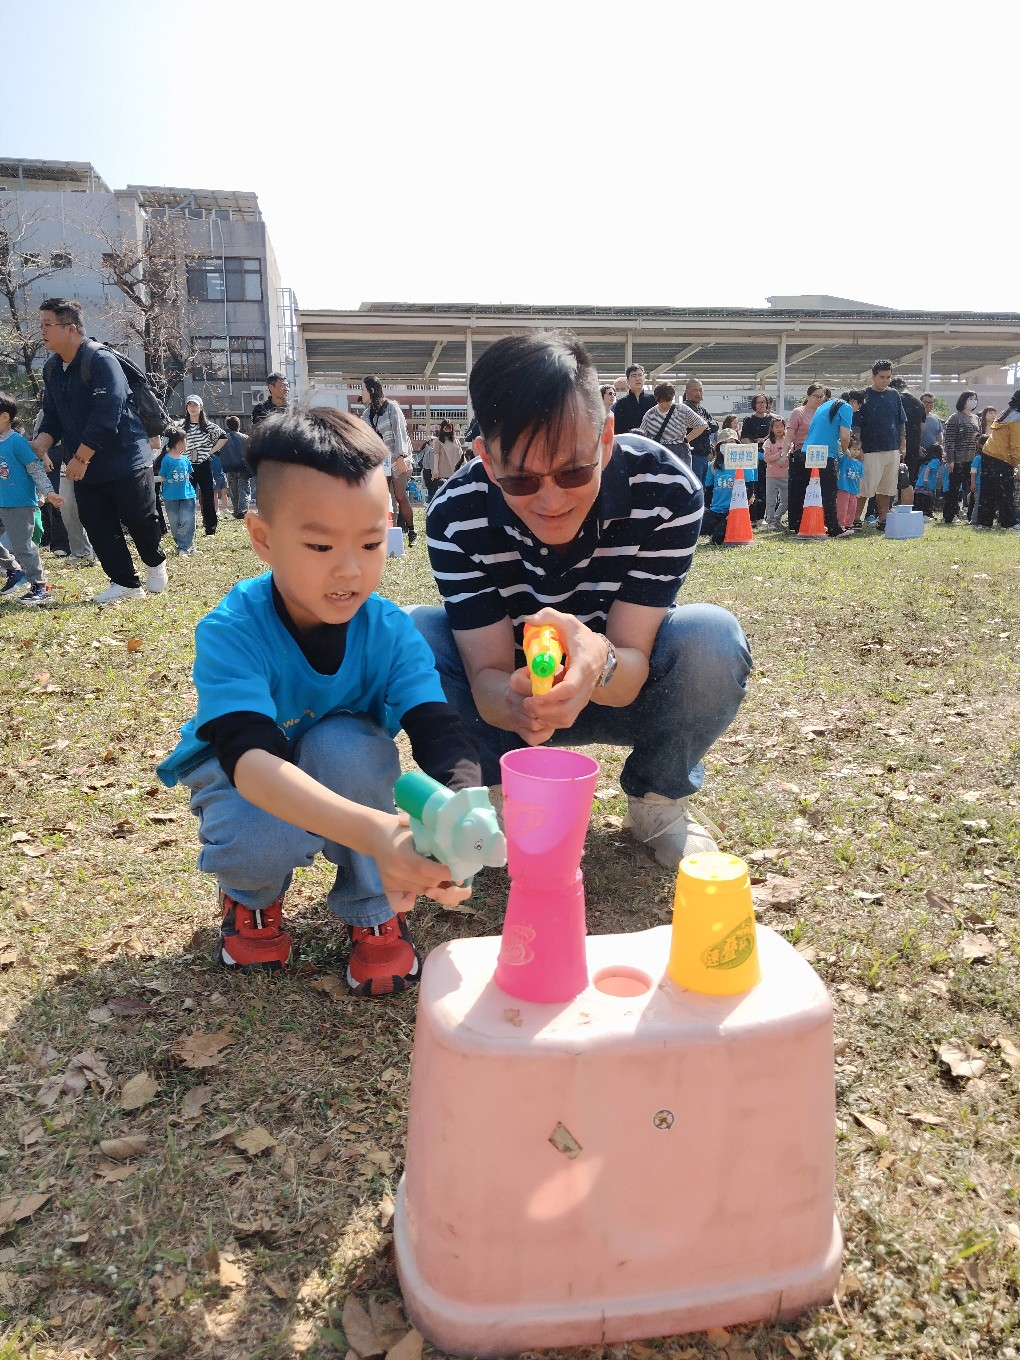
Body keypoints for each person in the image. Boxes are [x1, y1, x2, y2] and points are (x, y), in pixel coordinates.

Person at [156, 407, 480, 994]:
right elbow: (251, 764)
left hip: (341, 764)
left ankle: (374, 907)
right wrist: (380, 834)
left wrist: (461, 817)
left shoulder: (391, 631)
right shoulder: (233, 630)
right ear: (263, 538)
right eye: (320, 545)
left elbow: (440, 733)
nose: (350, 570)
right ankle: (252, 897)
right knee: (260, 835)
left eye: (371, 542)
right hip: (244, 775)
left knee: (350, 749)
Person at [414, 330, 751, 870]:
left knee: (711, 637)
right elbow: (485, 676)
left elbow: (631, 665)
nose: (551, 500)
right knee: (418, 637)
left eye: (574, 470)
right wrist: (518, 701)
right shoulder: (456, 513)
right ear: (487, 459)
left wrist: (599, 662)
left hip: (622, 688)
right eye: (521, 480)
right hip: (513, 704)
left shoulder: (666, 490)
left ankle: (658, 797)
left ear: (607, 437)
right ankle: (497, 789)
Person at [33, 297, 167, 604]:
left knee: (139, 518)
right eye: (41, 325)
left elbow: (108, 412)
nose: (42, 331)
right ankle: (125, 583)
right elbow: (53, 415)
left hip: (125, 457)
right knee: (97, 523)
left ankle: (155, 561)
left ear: (70, 329)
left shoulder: (100, 359)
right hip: (84, 463)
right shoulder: (52, 369)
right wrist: (40, 444)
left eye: (47, 325)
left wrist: (82, 457)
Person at [0, 392, 64, 606]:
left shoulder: (17, 442)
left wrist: (49, 492)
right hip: (1, 501)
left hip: (19, 504)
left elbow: (35, 470)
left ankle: (39, 586)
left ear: (5, 417)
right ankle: (13, 570)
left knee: (23, 546)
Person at [361, 375, 416, 547]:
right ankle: (385, 534)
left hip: (397, 458)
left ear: (371, 390)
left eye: (362, 389)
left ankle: (412, 531)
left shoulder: (391, 407)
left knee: (400, 495)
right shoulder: (366, 415)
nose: (361, 393)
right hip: (381, 462)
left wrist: (401, 456)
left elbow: (400, 431)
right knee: (382, 497)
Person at [798, 390, 860, 538]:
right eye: (859, 406)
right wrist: (845, 450)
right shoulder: (846, 407)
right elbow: (845, 437)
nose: (857, 410)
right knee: (829, 491)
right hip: (824, 453)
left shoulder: (826, 405)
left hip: (807, 451)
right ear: (854, 402)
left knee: (811, 490)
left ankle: (808, 523)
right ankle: (833, 528)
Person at [856, 360, 906, 531]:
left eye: (888, 377)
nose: (885, 380)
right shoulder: (863, 395)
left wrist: (903, 445)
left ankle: (883, 519)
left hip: (891, 447)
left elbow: (901, 421)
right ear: (873, 377)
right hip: (870, 449)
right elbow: (856, 425)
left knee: (887, 487)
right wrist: (859, 447)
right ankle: (855, 519)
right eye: (882, 377)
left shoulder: (894, 395)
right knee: (864, 487)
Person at [784, 383, 830, 532]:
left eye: (821, 397)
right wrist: (784, 453)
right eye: (816, 396)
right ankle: (796, 523)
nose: (819, 399)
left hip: (820, 454)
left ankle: (818, 520)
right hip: (801, 453)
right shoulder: (798, 412)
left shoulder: (825, 413)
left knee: (820, 488)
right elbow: (789, 435)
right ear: (808, 396)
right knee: (799, 489)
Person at [181, 396, 227, 536]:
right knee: (186, 497)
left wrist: (211, 451)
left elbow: (223, 437)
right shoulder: (181, 426)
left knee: (207, 496)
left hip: (204, 464)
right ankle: (188, 526)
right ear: (186, 408)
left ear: (201, 407)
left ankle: (210, 527)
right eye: (190, 405)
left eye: (195, 405)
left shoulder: (208, 426)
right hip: (187, 465)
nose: (192, 408)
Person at [975, 390, 1020, 530]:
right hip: (1001, 457)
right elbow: (1016, 445)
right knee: (1005, 491)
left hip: (988, 453)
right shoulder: (1017, 419)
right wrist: (1018, 464)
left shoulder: (1005, 413)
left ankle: (984, 522)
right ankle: (1009, 523)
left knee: (987, 491)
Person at [636, 382, 708, 468]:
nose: (665, 404)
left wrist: (686, 439)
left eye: (667, 401)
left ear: (672, 398)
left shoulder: (682, 409)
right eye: (661, 401)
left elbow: (702, 425)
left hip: (678, 451)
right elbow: (642, 435)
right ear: (657, 399)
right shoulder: (650, 414)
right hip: (658, 452)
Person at [942, 390, 981, 525]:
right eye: (970, 399)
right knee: (954, 489)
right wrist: (950, 460)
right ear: (963, 400)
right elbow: (949, 440)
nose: (973, 401)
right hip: (958, 460)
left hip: (973, 460)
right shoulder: (955, 417)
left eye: (975, 399)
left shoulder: (976, 418)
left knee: (973, 488)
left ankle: (972, 516)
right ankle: (949, 516)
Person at [157, 428, 197, 555]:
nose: (187, 443)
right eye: (186, 440)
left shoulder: (185, 459)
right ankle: (183, 546)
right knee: (174, 523)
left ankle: (184, 547)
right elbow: (163, 476)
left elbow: (188, 475)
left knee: (188, 520)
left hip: (187, 495)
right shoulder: (166, 460)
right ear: (179, 442)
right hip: (170, 496)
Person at [889, 377, 925, 500]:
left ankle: (886, 508)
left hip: (895, 444)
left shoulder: (895, 399)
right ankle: (906, 507)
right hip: (913, 444)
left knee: (890, 478)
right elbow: (922, 427)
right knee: (908, 479)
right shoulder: (919, 403)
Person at [740, 393, 773, 523]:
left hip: (768, 457)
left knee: (765, 487)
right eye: (759, 402)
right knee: (753, 486)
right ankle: (752, 516)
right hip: (752, 457)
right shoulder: (749, 420)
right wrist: (754, 444)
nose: (762, 404)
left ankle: (761, 517)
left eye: (764, 402)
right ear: (754, 404)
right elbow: (744, 438)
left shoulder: (772, 420)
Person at [700, 442, 738, 546]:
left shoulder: (743, 466)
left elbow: (749, 490)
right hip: (715, 511)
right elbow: (709, 489)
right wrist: (706, 509)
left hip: (733, 512)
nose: (728, 445)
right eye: (724, 443)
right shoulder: (713, 466)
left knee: (717, 539)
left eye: (731, 442)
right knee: (695, 531)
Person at [682, 379, 717, 486]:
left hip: (704, 455)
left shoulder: (702, 410)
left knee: (703, 487)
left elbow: (714, 425)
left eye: (700, 390)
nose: (698, 393)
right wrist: (704, 426)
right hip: (692, 455)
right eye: (695, 390)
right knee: (695, 487)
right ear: (687, 392)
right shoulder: (684, 408)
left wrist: (704, 425)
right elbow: (703, 428)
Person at [219, 415, 253, 517]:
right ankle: (242, 510)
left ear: (228, 426)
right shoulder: (246, 438)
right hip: (243, 467)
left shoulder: (224, 439)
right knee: (243, 489)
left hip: (230, 467)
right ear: (239, 425)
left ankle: (236, 509)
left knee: (233, 490)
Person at [762, 416, 789, 529]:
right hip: (771, 476)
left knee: (786, 502)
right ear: (772, 429)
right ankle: (770, 521)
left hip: (785, 475)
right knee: (771, 501)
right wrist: (780, 454)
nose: (779, 429)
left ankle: (776, 518)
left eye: (781, 426)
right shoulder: (768, 442)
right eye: (776, 426)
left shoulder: (788, 441)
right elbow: (766, 458)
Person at [612, 364, 655, 435]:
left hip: (650, 440)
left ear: (644, 378)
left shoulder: (653, 400)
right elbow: (618, 429)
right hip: (629, 440)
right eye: (634, 376)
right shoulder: (621, 403)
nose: (637, 378)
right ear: (627, 380)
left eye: (640, 375)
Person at [430, 419, 464, 491]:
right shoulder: (438, 441)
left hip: (455, 471)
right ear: (442, 428)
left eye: (449, 428)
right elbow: (436, 455)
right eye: (446, 428)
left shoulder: (456, 440)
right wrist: (435, 470)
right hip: (443, 472)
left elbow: (461, 455)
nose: (448, 430)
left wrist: (464, 467)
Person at [913, 444, 942, 519]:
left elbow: (921, 469)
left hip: (919, 483)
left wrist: (920, 477)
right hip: (927, 484)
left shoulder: (927, 461)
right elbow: (928, 469)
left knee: (919, 501)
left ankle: (920, 515)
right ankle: (927, 514)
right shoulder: (936, 461)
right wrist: (926, 478)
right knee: (927, 500)